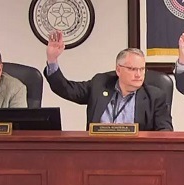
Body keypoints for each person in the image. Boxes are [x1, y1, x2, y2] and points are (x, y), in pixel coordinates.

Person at [44, 31, 172, 131]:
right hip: (98, 153)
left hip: (136, 156)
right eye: (132, 69)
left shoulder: (155, 96)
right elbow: (66, 89)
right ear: (118, 70)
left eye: (142, 69)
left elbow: (165, 131)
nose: (138, 74)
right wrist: (52, 60)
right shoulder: (100, 85)